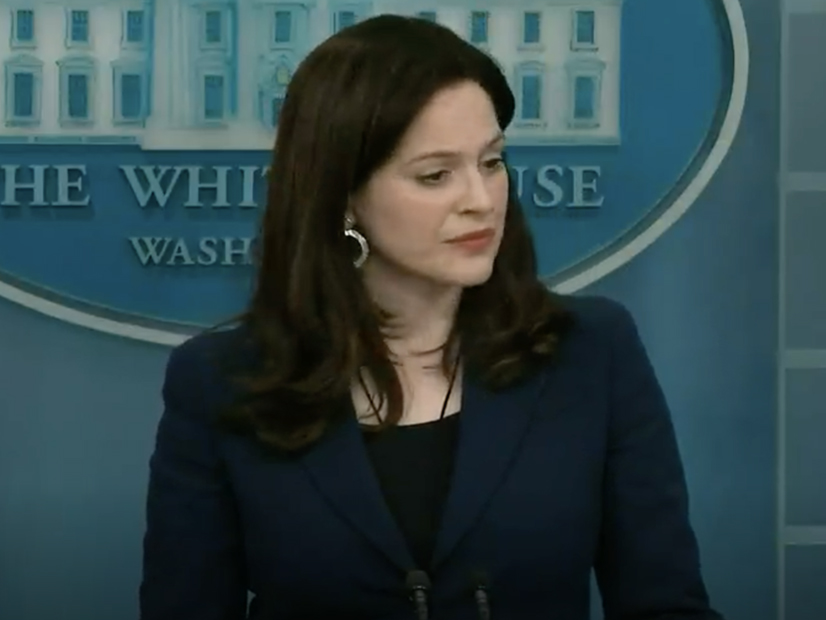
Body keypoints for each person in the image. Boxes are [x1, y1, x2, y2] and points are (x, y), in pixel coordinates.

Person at [139, 13, 723, 620]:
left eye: (491, 162)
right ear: (344, 197)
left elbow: (666, 605)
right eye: (436, 175)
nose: (481, 200)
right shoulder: (220, 383)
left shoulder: (591, 352)